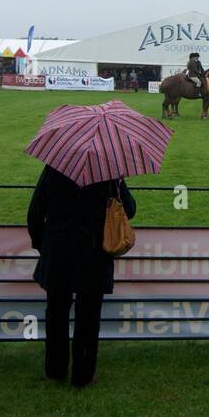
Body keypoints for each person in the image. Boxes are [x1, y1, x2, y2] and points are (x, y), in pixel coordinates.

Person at [28, 165, 136, 387]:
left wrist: (43, 246)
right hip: (93, 254)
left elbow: (35, 212)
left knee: (56, 314)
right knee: (88, 317)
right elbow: (130, 209)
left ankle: (55, 371)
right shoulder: (109, 172)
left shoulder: (54, 168)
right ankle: (84, 375)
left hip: (59, 253)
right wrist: (120, 182)